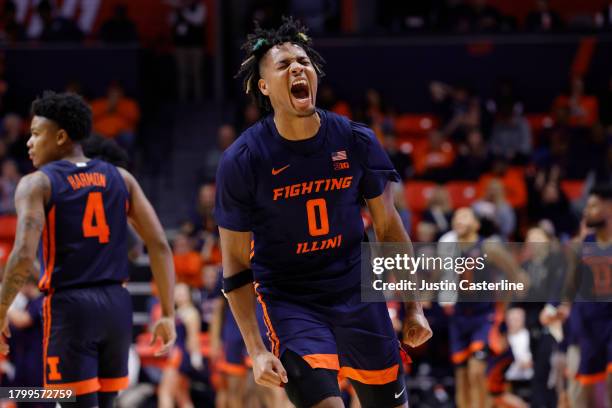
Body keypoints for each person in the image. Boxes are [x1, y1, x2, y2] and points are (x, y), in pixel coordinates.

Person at [215, 18, 432, 408]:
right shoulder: (243, 160)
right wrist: (256, 348)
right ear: (264, 87)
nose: (297, 67)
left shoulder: (355, 139)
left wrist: (414, 306)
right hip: (290, 300)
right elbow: (233, 262)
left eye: (303, 61)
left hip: (356, 291)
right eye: (283, 65)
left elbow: (388, 227)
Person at [0, 91, 176, 408]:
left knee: (66, 401)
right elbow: (159, 245)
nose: (29, 142)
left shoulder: (37, 183)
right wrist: (167, 313)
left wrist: (0, 311)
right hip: (115, 306)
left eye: (36, 134)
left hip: (70, 308)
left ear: (61, 136)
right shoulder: (122, 178)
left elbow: (24, 255)